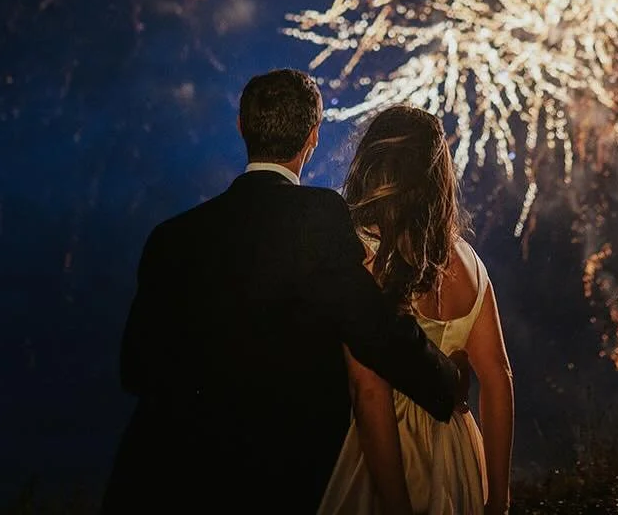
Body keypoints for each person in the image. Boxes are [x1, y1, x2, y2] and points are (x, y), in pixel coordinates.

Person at [99, 70, 467, 513]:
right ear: (313, 136)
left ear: (241, 127)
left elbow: (135, 368)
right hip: (274, 478)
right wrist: (445, 381)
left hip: (163, 477)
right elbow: (376, 331)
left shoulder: (170, 237)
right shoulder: (316, 219)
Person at [318, 105, 514, 515]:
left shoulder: (360, 257)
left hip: (381, 452)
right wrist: (498, 497)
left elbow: (370, 393)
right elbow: (498, 379)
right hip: (455, 454)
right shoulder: (467, 261)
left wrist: (395, 504)